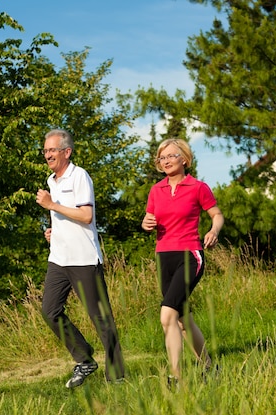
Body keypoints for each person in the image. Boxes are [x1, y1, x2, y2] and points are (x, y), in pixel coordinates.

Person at [36, 128, 125, 388]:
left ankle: (117, 374)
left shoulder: (80, 176)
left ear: (67, 151)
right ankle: (84, 359)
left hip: (84, 259)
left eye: (52, 150)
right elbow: (67, 216)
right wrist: (54, 230)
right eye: (45, 150)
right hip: (59, 259)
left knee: (101, 318)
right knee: (50, 311)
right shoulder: (52, 180)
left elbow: (86, 216)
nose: (47, 154)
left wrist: (52, 205)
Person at [141, 138, 224, 388]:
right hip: (163, 256)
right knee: (182, 320)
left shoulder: (198, 187)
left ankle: (175, 378)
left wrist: (214, 230)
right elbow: (149, 218)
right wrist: (146, 224)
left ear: (184, 159)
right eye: (161, 158)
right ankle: (210, 368)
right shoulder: (156, 190)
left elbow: (216, 214)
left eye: (170, 156)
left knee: (167, 314)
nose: (165, 161)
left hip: (190, 255)